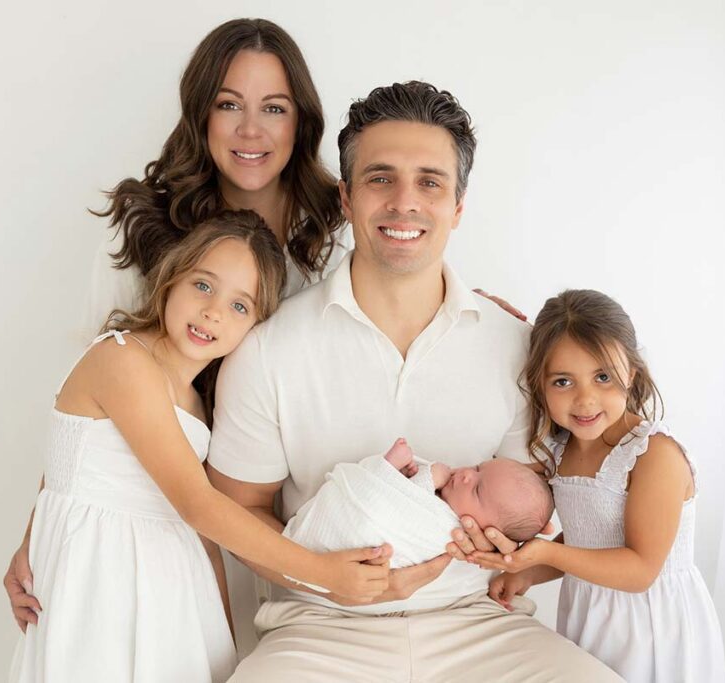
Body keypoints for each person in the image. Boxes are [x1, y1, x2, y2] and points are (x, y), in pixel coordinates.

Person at [209, 81, 619, 681]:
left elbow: (531, 497)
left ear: (458, 205)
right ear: (346, 198)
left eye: (430, 181)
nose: (405, 202)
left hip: (478, 623)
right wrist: (329, 578)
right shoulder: (270, 349)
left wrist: (512, 554)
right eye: (380, 178)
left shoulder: (515, 347)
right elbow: (238, 510)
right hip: (320, 631)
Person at [3, 16, 352, 633]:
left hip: (293, 514)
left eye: (274, 107)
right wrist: (39, 530)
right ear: (200, 115)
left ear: (301, 122)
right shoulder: (139, 227)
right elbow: (88, 408)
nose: (251, 130)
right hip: (156, 523)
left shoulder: (335, 235)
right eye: (228, 105)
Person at [9, 212, 390, 683]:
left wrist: (220, 633)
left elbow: (203, 535)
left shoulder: (194, 401)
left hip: (169, 587)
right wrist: (321, 573)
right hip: (99, 577)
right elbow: (195, 504)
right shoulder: (124, 360)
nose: (213, 312)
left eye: (240, 306)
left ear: (256, 327)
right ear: (171, 277)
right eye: (204, 286)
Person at [476, 289, 725, 682]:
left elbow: (639, 569)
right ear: (539, 384)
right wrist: (527, 572)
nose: (585, 400)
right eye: (563, 381)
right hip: (591, 614)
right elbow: (586, 541)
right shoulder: (559, 451)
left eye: (603, 377)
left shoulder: (653, 455)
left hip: (651, 626)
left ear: (632, 371)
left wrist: (545, 554)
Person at [283, 437, 555, 574]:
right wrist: (407, 481)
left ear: (490, 532)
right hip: (324, 556)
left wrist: (428, 477)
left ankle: (386, 467)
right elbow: (404, 501)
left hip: (360, 530)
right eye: (477, 468)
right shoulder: (444, 501)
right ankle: (386, 470)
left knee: (373, 507)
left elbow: (407, 516)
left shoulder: (447, 529)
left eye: (477, 489)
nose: (465, 475)